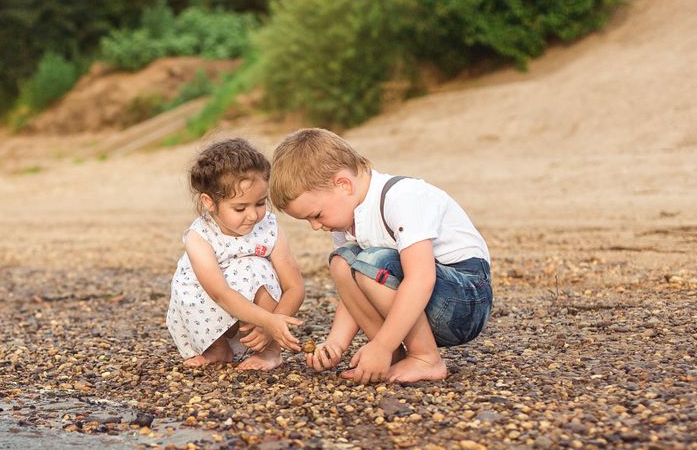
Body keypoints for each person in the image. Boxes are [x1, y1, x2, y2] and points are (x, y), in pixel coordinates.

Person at [269, 128, 491, 383]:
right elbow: (352, 288)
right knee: (343, 262)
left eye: (316, 215)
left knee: (369, 264)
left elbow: (421, 278)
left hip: (465, 300)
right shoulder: (347, 220)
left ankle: (425, 358)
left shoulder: (402, 197)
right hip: (424, 302)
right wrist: (336, 344)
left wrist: (380, 346)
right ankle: (394, 355)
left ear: (343, 184)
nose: (315, 226)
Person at [166, 137, 305, 370]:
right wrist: (266, 320)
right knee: (187, 284)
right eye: (240, 208)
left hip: (259, 316)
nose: (252, 215)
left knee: (255, 266)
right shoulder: (199, 236)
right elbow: (220, 293)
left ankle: (269, 352)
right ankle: (216, 347)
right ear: (209, 202)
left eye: (260, 203)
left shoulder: (269, 228)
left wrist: (271, 325)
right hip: (208, 308)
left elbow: (295, 287)